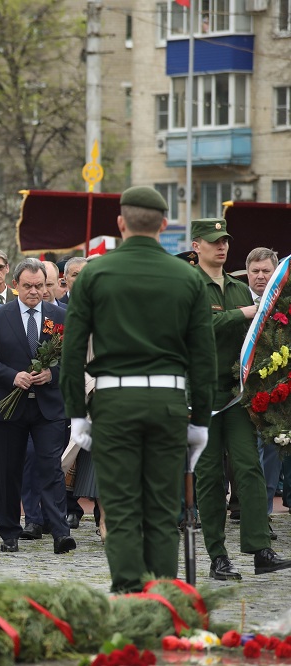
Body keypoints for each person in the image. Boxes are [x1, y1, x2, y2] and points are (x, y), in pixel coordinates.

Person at [59, 187, 216, 592]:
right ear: (164, 225)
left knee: (123, 506)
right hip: (168, 402)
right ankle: (161, 594)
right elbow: (204, 358)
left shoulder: (93, 273)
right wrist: (200, 420)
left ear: (120, 223)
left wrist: (77, 414)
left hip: (113, 402)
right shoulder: (188, 277)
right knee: (163, 510)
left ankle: (128, 591)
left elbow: (72, 351)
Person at [189, 218, 291, 581]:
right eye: (215, 241)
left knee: (249, 469)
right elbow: (196, 327)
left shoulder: (236, 287)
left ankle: (260, 548)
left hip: (235, 394)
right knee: (210, 476)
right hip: (199, 395)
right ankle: (218, 556)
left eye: (226, 240)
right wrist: (245, 313)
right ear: (197, 245)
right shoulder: (189, 285)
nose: (223, 247)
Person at [0, 258, 75, 555]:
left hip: (48, 407)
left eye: (40, 286)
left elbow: (73, 359)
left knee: (51, 468)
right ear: (15, 285)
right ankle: (9, 532)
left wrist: (52, 374)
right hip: (9, 406)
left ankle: (60, 532)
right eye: (28, 286)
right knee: (8, 470)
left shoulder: (60, 317)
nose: (35, 292)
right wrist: (12, 375)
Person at [246, 247, 281, 519]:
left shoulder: (284, 301)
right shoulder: (237, 299)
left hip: (276, 390)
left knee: (270, 450)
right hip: (239, 388)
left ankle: (263, 512)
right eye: (255, 271)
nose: (260, 276)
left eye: (266, 271)